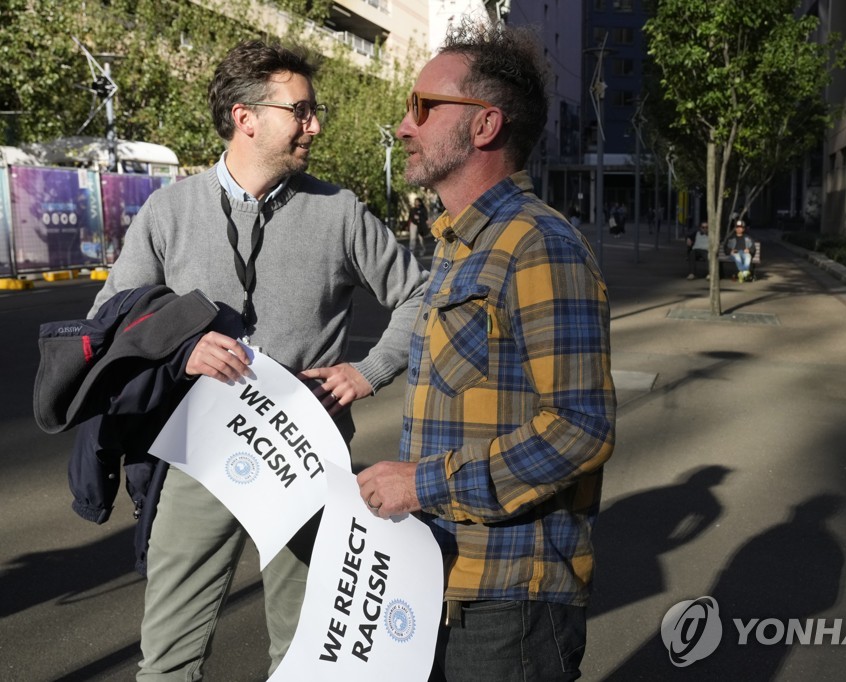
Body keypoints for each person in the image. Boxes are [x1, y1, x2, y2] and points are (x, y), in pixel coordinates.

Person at [87, 39, 428, 680]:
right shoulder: (169, 212)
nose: (315, 124)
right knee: (168, 657)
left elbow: (421, 295)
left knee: (304, 654)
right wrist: (182, 350)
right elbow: (110, 322)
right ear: (247, 117)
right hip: (196, 459)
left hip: (308, 462)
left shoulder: (340, 212)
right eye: (300, 110)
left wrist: (369, 370)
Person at [356, 21, 616, 681]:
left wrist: (422, 483)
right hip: (444, 578)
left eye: (423, 107)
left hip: (510, 603)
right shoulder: (457, 246)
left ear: (484, 126)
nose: (404, 125)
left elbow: (580, 430)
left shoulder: (538, 244)